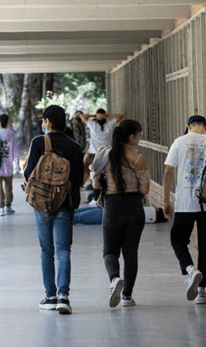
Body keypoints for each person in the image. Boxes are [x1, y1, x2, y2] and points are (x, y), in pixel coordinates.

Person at [163, 115, 206, 305]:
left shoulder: (180, 141)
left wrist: (167, 200)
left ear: (188, 126)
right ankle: (202, 293)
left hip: (185, 202)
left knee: (177, 239)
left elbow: (168, 172)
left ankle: (191, 270)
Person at [24, 105, 83, 314]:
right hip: (65, 204)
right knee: (63, 250)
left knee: (47, 250)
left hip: (41, 205)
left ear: (48, 121)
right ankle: (63, 297)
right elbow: (78, 180)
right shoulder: (75, 146)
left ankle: (49, 296)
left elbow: (29, 172)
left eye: (43, 120)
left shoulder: (39, 142)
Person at [92, 120, 150, 308]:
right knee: (131, 253)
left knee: (110, 251)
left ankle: (115, 278)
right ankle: (127, 296)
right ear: (131, 136)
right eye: (139, 133)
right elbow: (145, 188)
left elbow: (95, 184)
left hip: (112, 206)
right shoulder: (139, 158)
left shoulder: (104, 154)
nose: (141, 136)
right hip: (134, 207)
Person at [79, 109, 125, 187]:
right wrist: (105, 116)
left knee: (90, 170)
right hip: (105, 153)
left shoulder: (93, 124)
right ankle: (85, 185)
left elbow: (82, 116)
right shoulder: (110, 124)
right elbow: (121, 116)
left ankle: (86, 186)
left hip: (95, 153)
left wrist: (96, 116)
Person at [0, 114, 20, 216]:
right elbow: (15, 151)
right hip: (8, 166)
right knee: (8, 187)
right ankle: (8, 207)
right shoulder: (11, 134)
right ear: (7, 121)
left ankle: (1, 208)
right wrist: (17, 165)